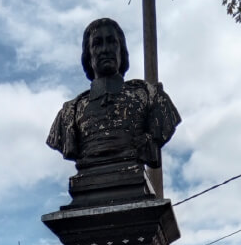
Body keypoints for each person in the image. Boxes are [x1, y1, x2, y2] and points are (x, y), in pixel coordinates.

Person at [46, 18, 181, 170]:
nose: (105, 49)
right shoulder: (69, 112)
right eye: (97, 44)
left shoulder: (150, 96)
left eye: (112, 42)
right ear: (88, 56)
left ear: (121, 51)